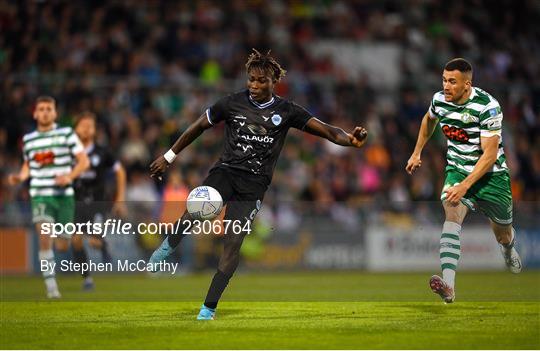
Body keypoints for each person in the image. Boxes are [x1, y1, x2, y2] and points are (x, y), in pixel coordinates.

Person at [148, 49, 368, 320]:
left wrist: (350, 140)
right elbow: (198, 125)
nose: (253, 85)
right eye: (251, 79)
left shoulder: (286, 111)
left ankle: (208, 308)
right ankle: (168, 247)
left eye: (261, 81)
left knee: (232, 243)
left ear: (273, 81)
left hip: (253, 186)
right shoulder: (232, 103)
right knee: (196, 208)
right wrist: (169, 156)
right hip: (226, 171)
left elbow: (327, 130)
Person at [405, 58, 522, 303]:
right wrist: (417, 152)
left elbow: (490, 156)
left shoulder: (487, 106)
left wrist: (466, 185)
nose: (446, 86)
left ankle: (508, 249)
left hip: (492, 177)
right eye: (444, 80)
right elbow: (429, 120)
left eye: (452, 82)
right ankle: (449, 286)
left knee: (503, 233)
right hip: (457, 170)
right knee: (452, 212)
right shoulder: (439, 101)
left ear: (467, 84)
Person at [7, 96, 89, 298]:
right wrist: (21, 176)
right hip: (41, 195)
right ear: (35, 113)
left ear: (55, 113)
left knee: (62, 245)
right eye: (41, 109)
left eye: (48, 109)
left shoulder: (66, 134)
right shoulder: (28, 140)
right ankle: (51, 287)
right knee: (45, 239)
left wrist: (69, 176)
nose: (44, 112)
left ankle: (58, 247)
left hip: (64, 197)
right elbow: (29, 165)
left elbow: (83, 161)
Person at [54, 111, 127, 290]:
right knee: (75, 240)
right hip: (74, 203)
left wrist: (120, 198)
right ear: (76, 129)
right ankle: (87, 279)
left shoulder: (103, 151)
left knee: (94, 241)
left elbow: (120, 171)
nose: (87, 129)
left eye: (90, 126)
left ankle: (103, 245)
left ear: (95, 130)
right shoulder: (68, 152)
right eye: (83, 125)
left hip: (97, 204)